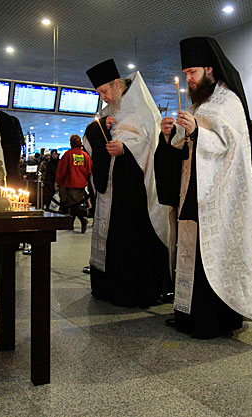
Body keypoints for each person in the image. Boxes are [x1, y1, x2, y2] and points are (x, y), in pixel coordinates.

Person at [156, 37, 252, 338]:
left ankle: (211, 319)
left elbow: (233, 147)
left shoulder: (228, 101)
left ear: (209, 69)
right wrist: (169, 136)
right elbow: (183, 147)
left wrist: (197, 132)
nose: (188, 79)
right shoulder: (198, 103)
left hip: (217, 195)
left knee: (210, 256)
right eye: (186, 73)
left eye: (192, 72)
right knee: (189, 252)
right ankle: (186, 313)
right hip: (192, 189)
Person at [83, 58, 172, 307]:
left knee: (130, 241)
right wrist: (99, 127)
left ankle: (133, 291)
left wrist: (125, 149)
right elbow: (90, 141)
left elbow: (151, 145)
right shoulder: (105, 113)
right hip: (109, 190)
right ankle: (107, 287)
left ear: (117, 84)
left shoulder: (142, 108)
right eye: (99, 93)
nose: (103, 98)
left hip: (134, 191)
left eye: (104, 91)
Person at [55, 135, 92, 233]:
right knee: (75, 204)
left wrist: (58, 181)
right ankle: (70, 224)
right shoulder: (85, 155)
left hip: (69, 183)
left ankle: (83, 220)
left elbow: (61, 170)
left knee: (72, 205)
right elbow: (89, 170)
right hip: (81, 184)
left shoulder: (68, 154)